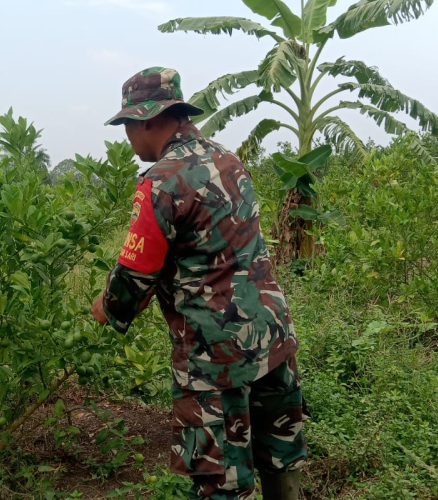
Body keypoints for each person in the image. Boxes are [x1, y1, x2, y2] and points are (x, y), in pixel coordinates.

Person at [91, 68, 309, 500]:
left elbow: (135, 274)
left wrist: (107, 306)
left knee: (221, 483)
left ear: (147, 119)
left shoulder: (160, 181)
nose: (127, 136)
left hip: (215, 355)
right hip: (272, 335)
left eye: (127, 125)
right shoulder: (228, 159)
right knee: (280, 457)